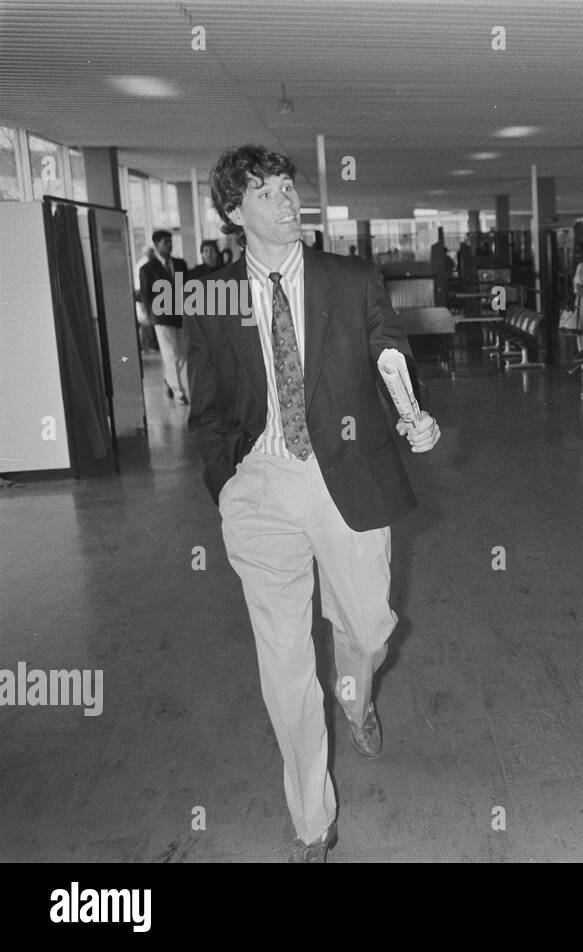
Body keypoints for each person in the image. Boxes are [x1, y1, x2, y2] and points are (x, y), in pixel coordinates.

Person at [187, 144, 440, 862]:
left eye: (288, 187)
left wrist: (410, 410)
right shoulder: (211, 296)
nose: (286, 201)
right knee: (284, 660)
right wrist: (227, 486)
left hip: (348, 478)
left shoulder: (350, 278)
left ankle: (357, 696)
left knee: (367, 625)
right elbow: (207, 406)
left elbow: (389, 351)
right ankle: (312, 819)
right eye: (265, 193)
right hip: (261, 485)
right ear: (235, 213)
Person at [138, 229, 190, 403]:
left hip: (180, 315)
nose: (169, 245)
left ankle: (171, 381)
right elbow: (146, 294)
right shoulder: (148, 269)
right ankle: (179, 392)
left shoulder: (180, 264)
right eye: (165, 242)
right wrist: (147, 314)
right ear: (156, 244)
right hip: (161, 316)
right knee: (170, 354)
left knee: (182, 353)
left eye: (170, 241)